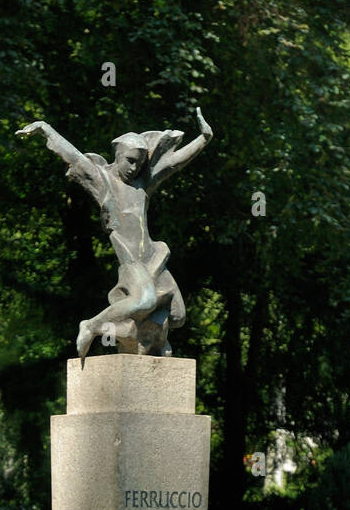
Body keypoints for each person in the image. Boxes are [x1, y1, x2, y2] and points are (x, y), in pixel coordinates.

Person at [16, 109, 212, 361]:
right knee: (145, 301)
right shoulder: (104, 181)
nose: (134, 167)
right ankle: (92, 325)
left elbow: (173, 163)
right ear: (117, 155)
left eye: (139, 163)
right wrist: (45, 128)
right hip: (130, 260)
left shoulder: (142, 185)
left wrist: (204, 138)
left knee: (177, 316)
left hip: (153, 256)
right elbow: (74, 157)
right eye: (129, 160)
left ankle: (139, 336)